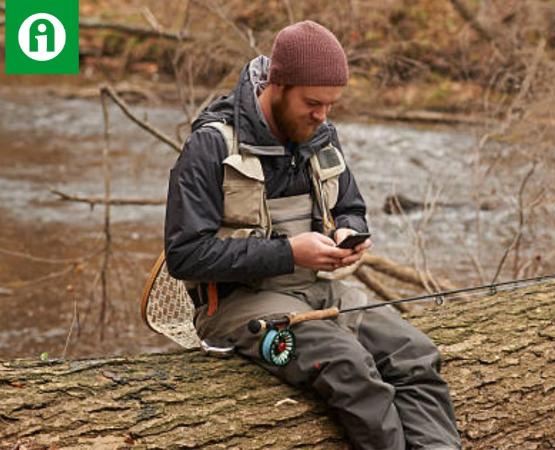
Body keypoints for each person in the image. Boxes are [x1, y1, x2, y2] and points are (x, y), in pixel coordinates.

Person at [163, 20, 461, 450]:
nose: (322, 115)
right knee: (350, 366)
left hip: (319, 293)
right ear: (277, 85)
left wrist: (351, 234)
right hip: (234, 304)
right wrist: (289, 253)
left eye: (331, 105)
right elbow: (185, 255)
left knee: (413, 353)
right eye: (313, 103)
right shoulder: (210, 147)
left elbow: (351, 207)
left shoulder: (321, 136)